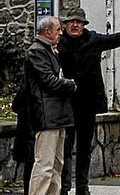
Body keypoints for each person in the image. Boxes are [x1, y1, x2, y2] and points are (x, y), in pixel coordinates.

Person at [57, 8, 120, 195]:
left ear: (84, 25)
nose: (75, 25)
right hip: (66, 102)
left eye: (79, 22)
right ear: (66, 25)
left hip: (87, 102)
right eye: (71, 22)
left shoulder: (93, 40)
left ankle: (83, 187)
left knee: (84, 149)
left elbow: (114, 39)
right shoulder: (60, 43)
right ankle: (64, 187)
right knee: (65, 148)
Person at [24, 16, 77, 195]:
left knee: (57, 165)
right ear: (47, 32)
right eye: (58, 30)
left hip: (57, 115)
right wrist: (69, 84)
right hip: (47, 115)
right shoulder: (36, 51)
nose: (61, 33)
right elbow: (49, 81)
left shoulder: (49, 50)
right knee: (44, 164)